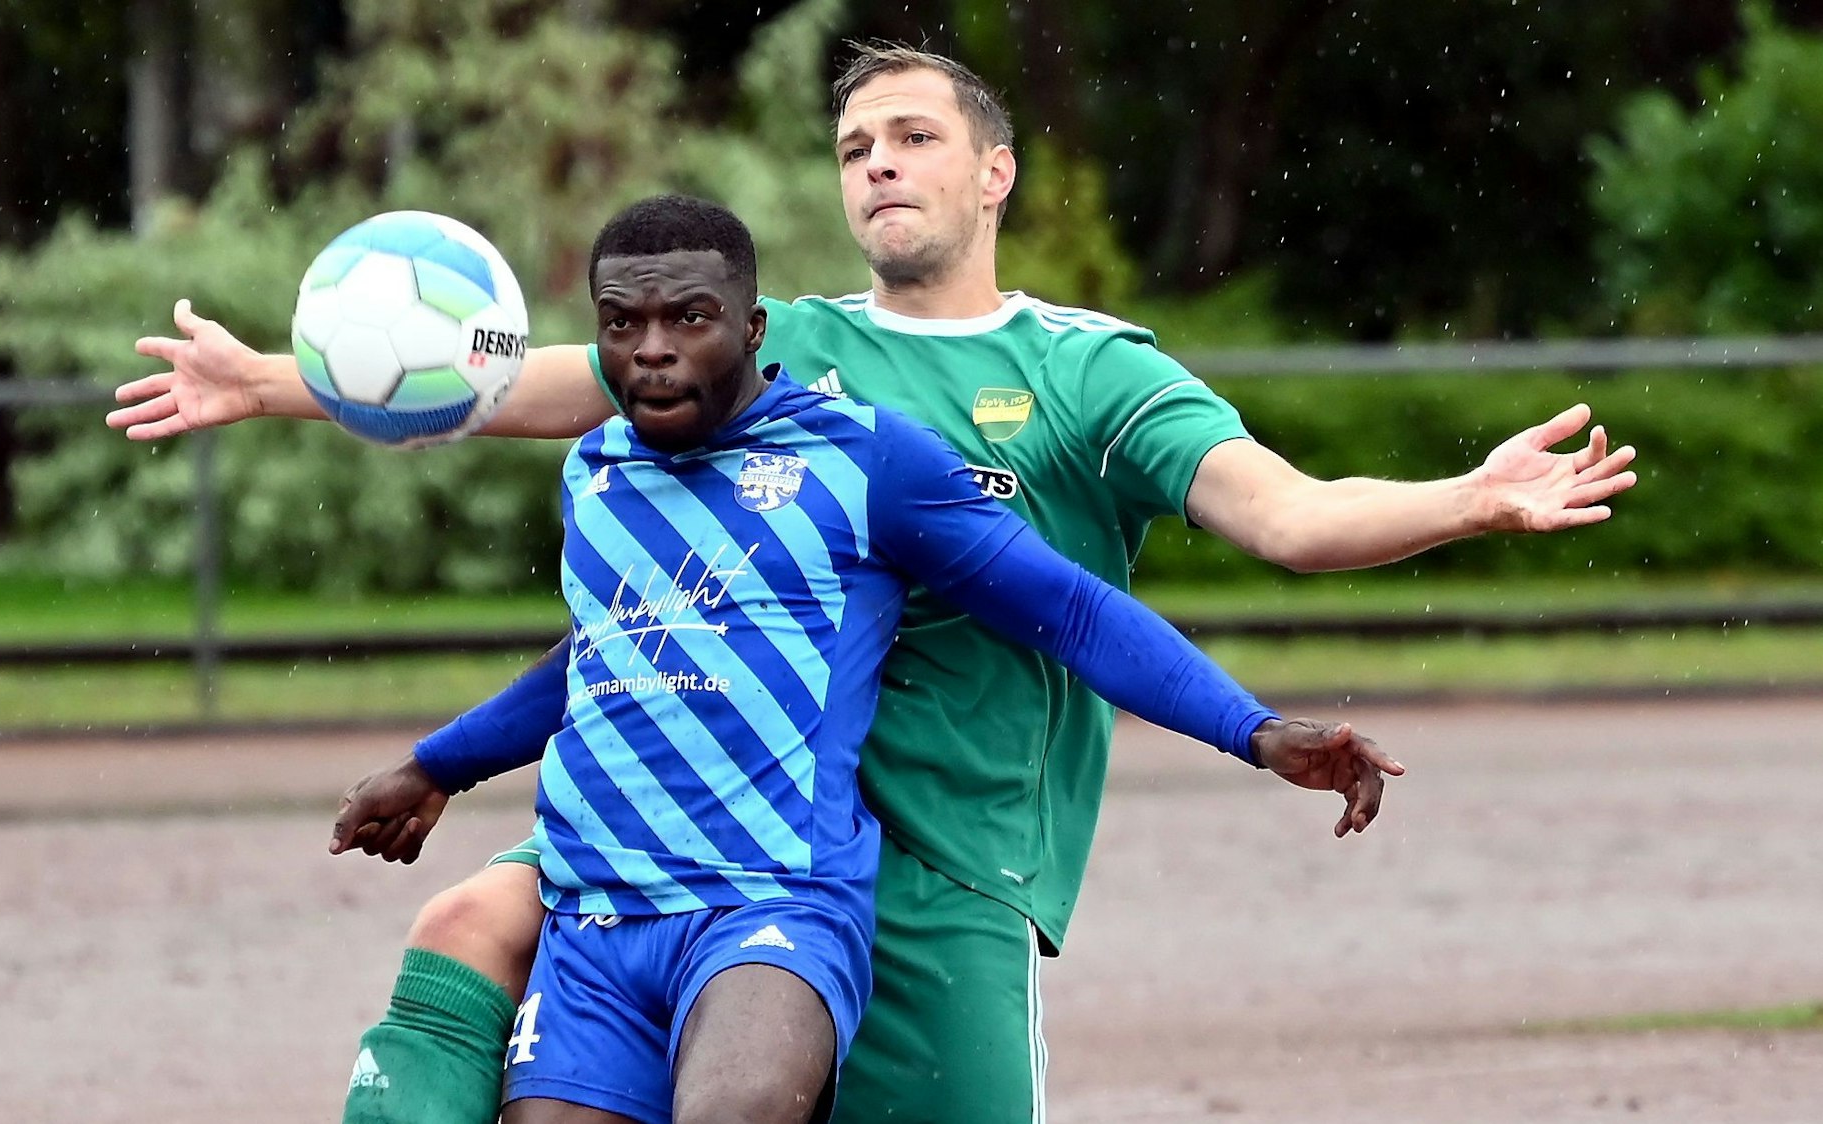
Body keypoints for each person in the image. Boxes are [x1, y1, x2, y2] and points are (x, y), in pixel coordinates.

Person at [115, 44, 1635, 1124]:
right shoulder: (769, 352)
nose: (878, 165)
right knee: (471, 916)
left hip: (953, 856)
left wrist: (1470, 501)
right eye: (852, 148)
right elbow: (501, 383)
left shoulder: (1086, 371)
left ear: (994, 169)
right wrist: (285, 381)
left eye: (910, 136)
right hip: (724, 829)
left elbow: (1287, 524)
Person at [408, 192, 1395, 1124]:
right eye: (623, 325)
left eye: (690, 319)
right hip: (602, 912)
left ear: (754, 331)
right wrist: (434, 765)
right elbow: (604, 651)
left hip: (775, 901)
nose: (654, 351)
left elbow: (1073, 610)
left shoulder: (868, 458)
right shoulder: (599, 468)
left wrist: (1253, 728)